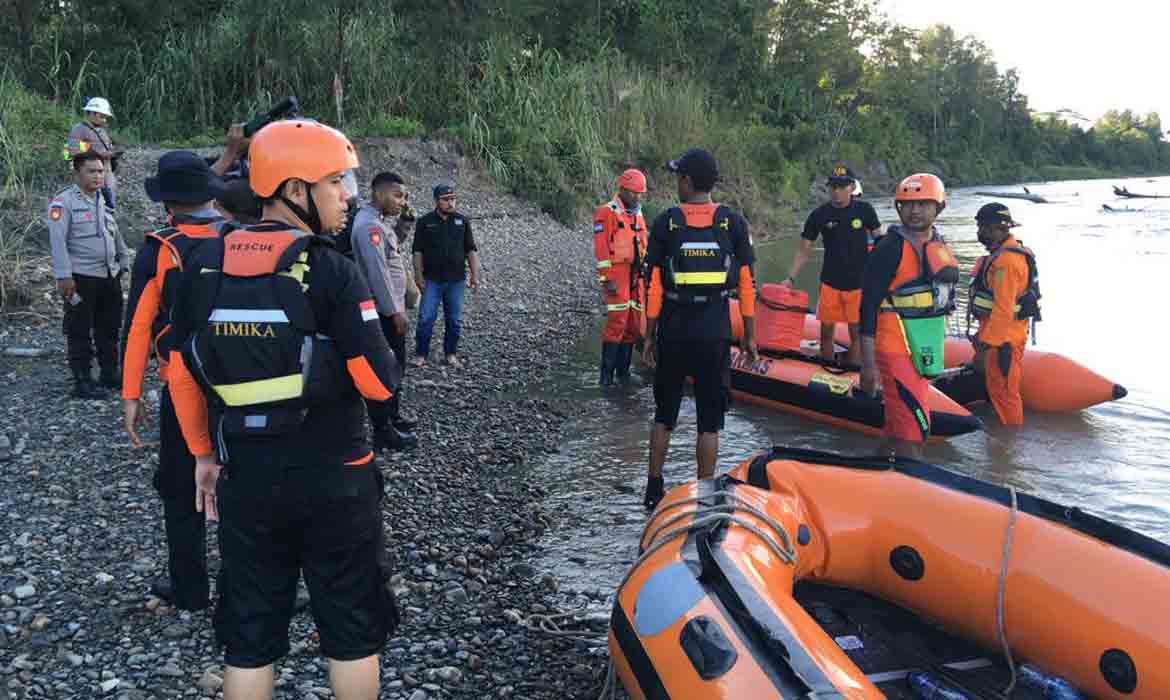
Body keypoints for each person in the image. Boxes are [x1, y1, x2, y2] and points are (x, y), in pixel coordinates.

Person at [165, 119, 402, 700]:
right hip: (336, 481)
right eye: (334, 182)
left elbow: (181, 373)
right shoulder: (331, 269)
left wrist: (202, 456)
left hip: (245, 480)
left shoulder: (203, 265)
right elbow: (378, 385)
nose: (347, 196)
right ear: (295, 189)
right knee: (351, 629)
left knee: (249, 637)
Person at [121, 151, 230, 610]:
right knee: (245, 484)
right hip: (240, 386)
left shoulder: (157, 249)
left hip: (182, 387)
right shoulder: (238, 238)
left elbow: (137, 327)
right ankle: (252, 585)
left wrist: (130, 393)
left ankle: (190, 589)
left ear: (167, 201)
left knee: (180, 488)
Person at [641, 148, 758, 509]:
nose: (677, 182)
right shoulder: (732, 223)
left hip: (674, 332)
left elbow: (654, 286)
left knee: (664, 414)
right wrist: (749, 336)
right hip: (715, 334)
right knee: (710, 421)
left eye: (679, 176)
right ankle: (705, 495)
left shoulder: (666, 222)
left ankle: (653, 489)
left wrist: (649, 335)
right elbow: (746, 285)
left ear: (688, 181)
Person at [858, 173, 959, 458]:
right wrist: (868, 367)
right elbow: (867, 308)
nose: (915, 211)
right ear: (899, 208)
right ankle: (912, 478)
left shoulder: (937, 243)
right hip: (894, 346)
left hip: (923, 343)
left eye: (923, 204)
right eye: (908, 204)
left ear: (939, 207)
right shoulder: (890, 247)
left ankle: (872, 471)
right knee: (914, 430)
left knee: (898, 426)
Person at [47, 150, 129, 399]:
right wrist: (64, 276)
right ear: (77, 173)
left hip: (109, 274)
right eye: (91, 171)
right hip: (81, 276)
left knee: (110, 326)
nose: (97, 176)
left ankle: (109, 373)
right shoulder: (63, 203)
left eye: (101, 171)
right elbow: (58, 241)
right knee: (79, 328)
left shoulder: (103, 198)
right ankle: (82, 380)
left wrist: (123, 260)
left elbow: (114, 232)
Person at [781, 164, 880, 366]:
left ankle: (852, 371)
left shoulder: (865, 210)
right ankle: (826, 369)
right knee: (826, 333)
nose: (837, 191)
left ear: (852, 187)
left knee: (856, 335)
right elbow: (803, 250)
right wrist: (790, 278)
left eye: (842, 186)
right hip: (830, 284)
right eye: (833, 186)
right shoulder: (819, 215)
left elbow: (881, 243)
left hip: (858, 285)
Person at [350, 172, 420, 451]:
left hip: (387, 309)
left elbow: (391, 252)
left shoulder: (377, 223)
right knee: (387, 368)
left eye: (404, 196)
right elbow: (377, 273)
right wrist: (394, 312)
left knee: (395, 366)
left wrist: (404, 224)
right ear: (379, 194)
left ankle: (393, 418)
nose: (402, 201)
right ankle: (384, 430)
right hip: (383, 312)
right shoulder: (369, 227)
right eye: (397, 195)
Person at [968, 203, 1041, 426]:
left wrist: (985, 348)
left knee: (1005, 393)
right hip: (1004, 336)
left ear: (995, 228)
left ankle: (1009, 441)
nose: (980, 232)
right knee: (999, 390)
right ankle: (1001, 439)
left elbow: (1003, 309)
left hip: (1003, 341)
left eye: (982, 228)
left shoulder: (1006, 263)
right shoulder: (1007, 255)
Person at [411, 184, 483, 367]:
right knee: (426, 318)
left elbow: (471, 249)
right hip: (431, 279)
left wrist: (475, 275)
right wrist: (418, 275)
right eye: (446, 199)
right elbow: (417, 251)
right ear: (436, 201)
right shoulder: (425, 222)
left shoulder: (462, 221)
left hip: (456, 280)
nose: (451, 203)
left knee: (454, 320)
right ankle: (421, 354)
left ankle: (450, 353)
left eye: (453, 199)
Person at [593, 168, 649, 386]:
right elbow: (601, 249)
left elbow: (643, 245)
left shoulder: (638, 213)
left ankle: (623, 374)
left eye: (639, 193)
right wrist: (606, 278)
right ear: (623, 189)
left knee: (633, 324)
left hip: (636, 275)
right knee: (617, 321)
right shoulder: (607, 212)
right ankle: (606, 377)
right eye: (633, 193)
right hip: (617, 274)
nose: (637, 197)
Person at [64, 97, 122, 207]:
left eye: (105, 117)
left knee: (108, 205)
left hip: (106, 174)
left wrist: (111, 154)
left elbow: (105, 148)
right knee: (90, 206)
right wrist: (99, 155)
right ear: (91, 114)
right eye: (102, 116)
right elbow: (70, 152)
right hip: (89, 175)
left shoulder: (102, 131)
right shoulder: (79, 129)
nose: (104, 120)